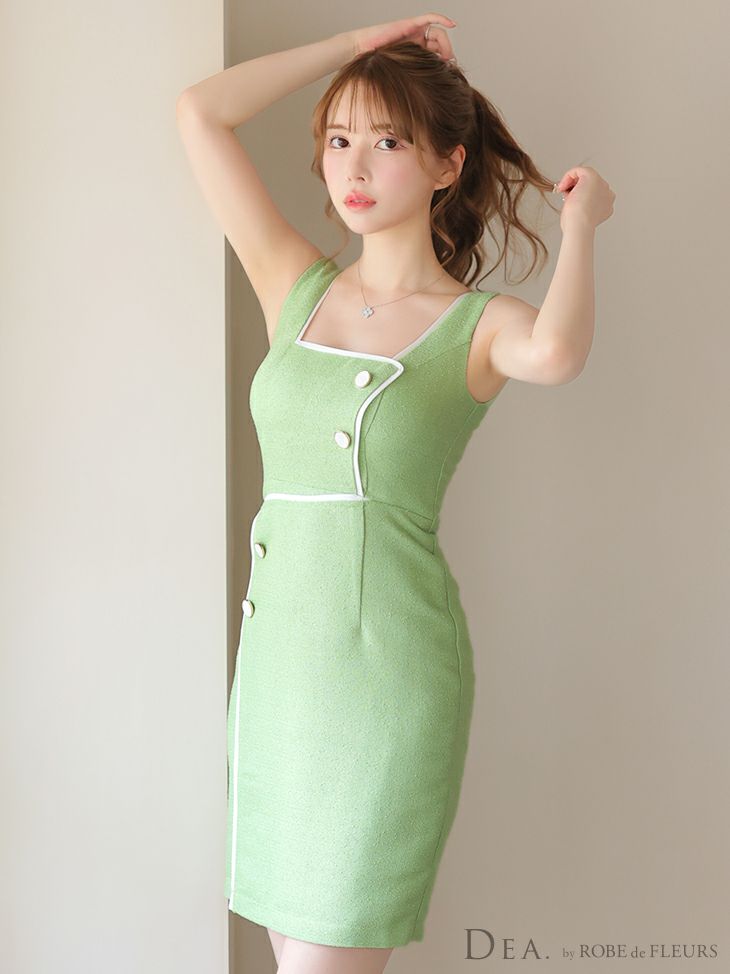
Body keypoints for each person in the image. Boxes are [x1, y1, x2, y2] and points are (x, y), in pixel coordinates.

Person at [176, 12, 615, 974]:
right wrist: (356, 46)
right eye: (339, 139)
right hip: (282, 669)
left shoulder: (477, 324)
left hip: (387, 673)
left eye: (386, 141)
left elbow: (557, 352)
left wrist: (581, 228)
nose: (354, 165)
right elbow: (199, 113)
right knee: (290, 949)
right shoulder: (296, 286)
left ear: (448, 164)